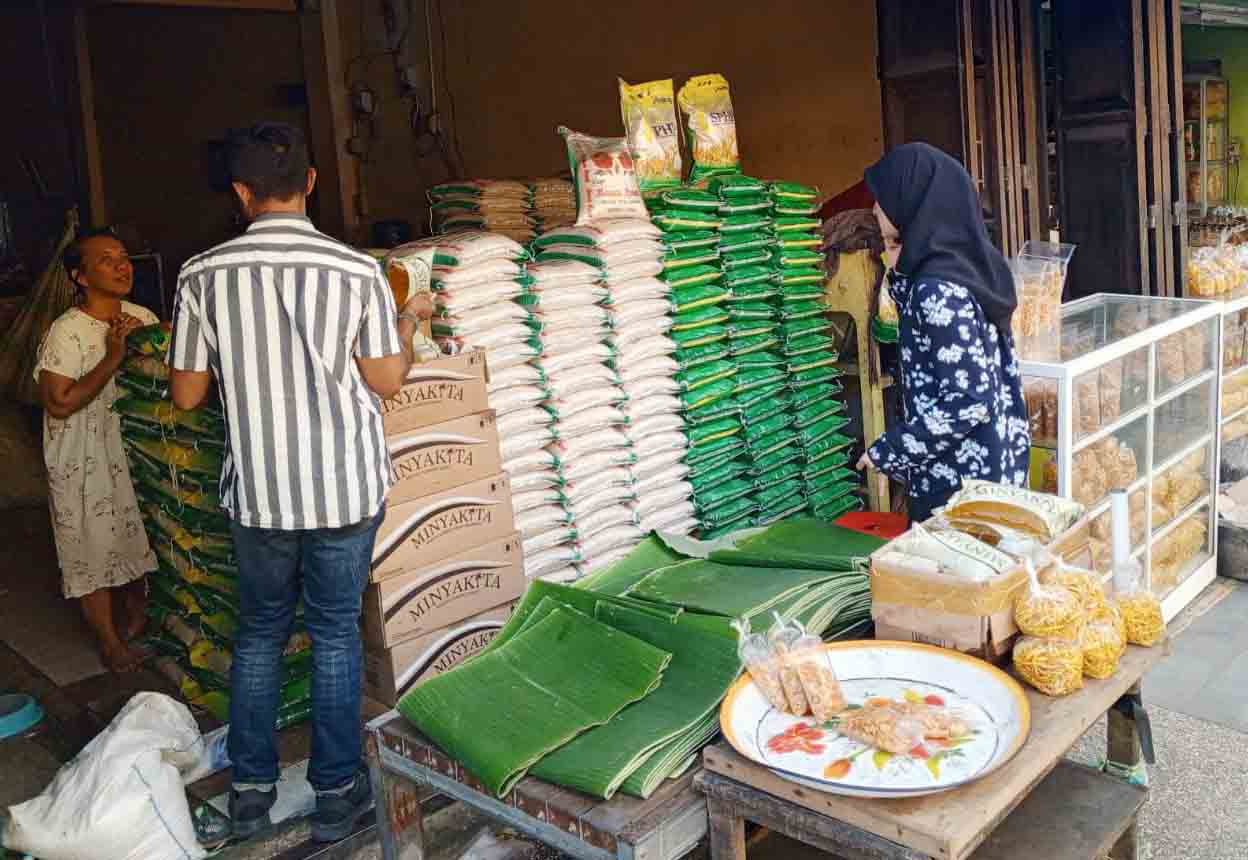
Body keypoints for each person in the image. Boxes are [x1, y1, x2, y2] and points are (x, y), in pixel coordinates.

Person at [166, 122, 431, 842]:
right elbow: (387, 379)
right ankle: (337, 794)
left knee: (260, 633)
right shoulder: (357, 271)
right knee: (336, 634)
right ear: (311, 182)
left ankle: (251, 793)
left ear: (240, 191)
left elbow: (186, 395)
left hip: (259, 493)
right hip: (344, 487)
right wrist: (408, 326)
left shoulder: (200, 275)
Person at [856, 142, 1030, 523]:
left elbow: (967, 400)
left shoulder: (936, 290)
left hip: (957, 493)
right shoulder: (971, 270)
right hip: (993, 473)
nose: (876, 209)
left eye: (884, 199)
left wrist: (890, 451)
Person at [35, 230, 158, 673]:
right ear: (80, 276)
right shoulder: (66, 331)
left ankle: (139, 618)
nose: (122, 265)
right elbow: (59, 402)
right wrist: (112, 357)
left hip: (132, 450)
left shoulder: (142, 318)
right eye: (106, 259)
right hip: (82, 456)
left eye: (123, 256)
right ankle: (109, 641)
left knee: (137, 536)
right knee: (90, 545)